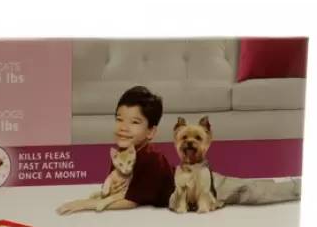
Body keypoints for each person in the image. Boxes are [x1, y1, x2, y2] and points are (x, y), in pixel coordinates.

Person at [57, 86, 300, 214]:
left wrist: (85, 204)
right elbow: (118, 190)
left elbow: (130, 201)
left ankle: (297, 187)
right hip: (185, 186)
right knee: (252, 188)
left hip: (203, 183)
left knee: (252, 191)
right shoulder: (121, 155)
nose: (123, 127)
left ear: (151, 131)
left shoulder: (151, 159)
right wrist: (95, 197)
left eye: (134, 122)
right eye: (119, 119)